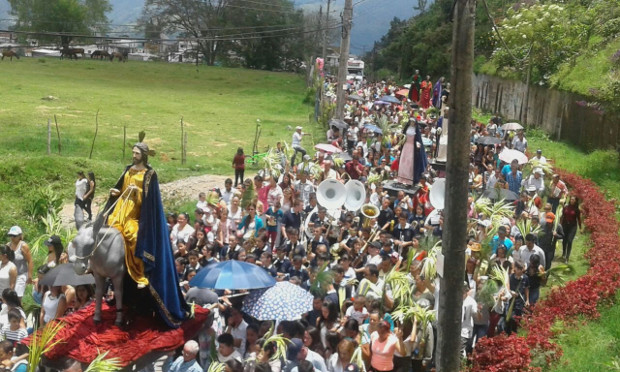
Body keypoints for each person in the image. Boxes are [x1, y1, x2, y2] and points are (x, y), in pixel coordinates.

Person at [105, 142, 189, 328]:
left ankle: (140, 274)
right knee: (105, 229)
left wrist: (138, 192)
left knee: (133, 236)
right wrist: (116, 192)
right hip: (121, 209)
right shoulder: (128, 170)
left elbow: (150, 200)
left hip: (136, 214)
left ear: (143, 155)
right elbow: (121, 189)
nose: (133, 155)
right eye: (133, 152)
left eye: (136, 153)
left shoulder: (149, 174)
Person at [5, 227, 32, 299]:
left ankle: (18, 309)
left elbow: (30, 261)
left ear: (20, 236)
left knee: (17, 297)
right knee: (9, 296)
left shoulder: (23, 246)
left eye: (14, 236)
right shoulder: (8, 245)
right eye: (10, 235)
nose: (12, 237)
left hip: (21, 274)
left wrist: (29, 276)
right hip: (11, 275)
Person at [561, 196, 582, 263]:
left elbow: (578, 219)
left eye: (573, 199)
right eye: (571, 199)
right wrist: (560, 225)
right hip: (565, 225)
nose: (572, 200)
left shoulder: (576, 209)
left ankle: (567, 257)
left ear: (575, 201)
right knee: (564, 240)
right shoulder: (566, 207)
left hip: (573, 226)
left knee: (570, 241)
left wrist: (580, 228)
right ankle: (564, 252)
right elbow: (563, 216)